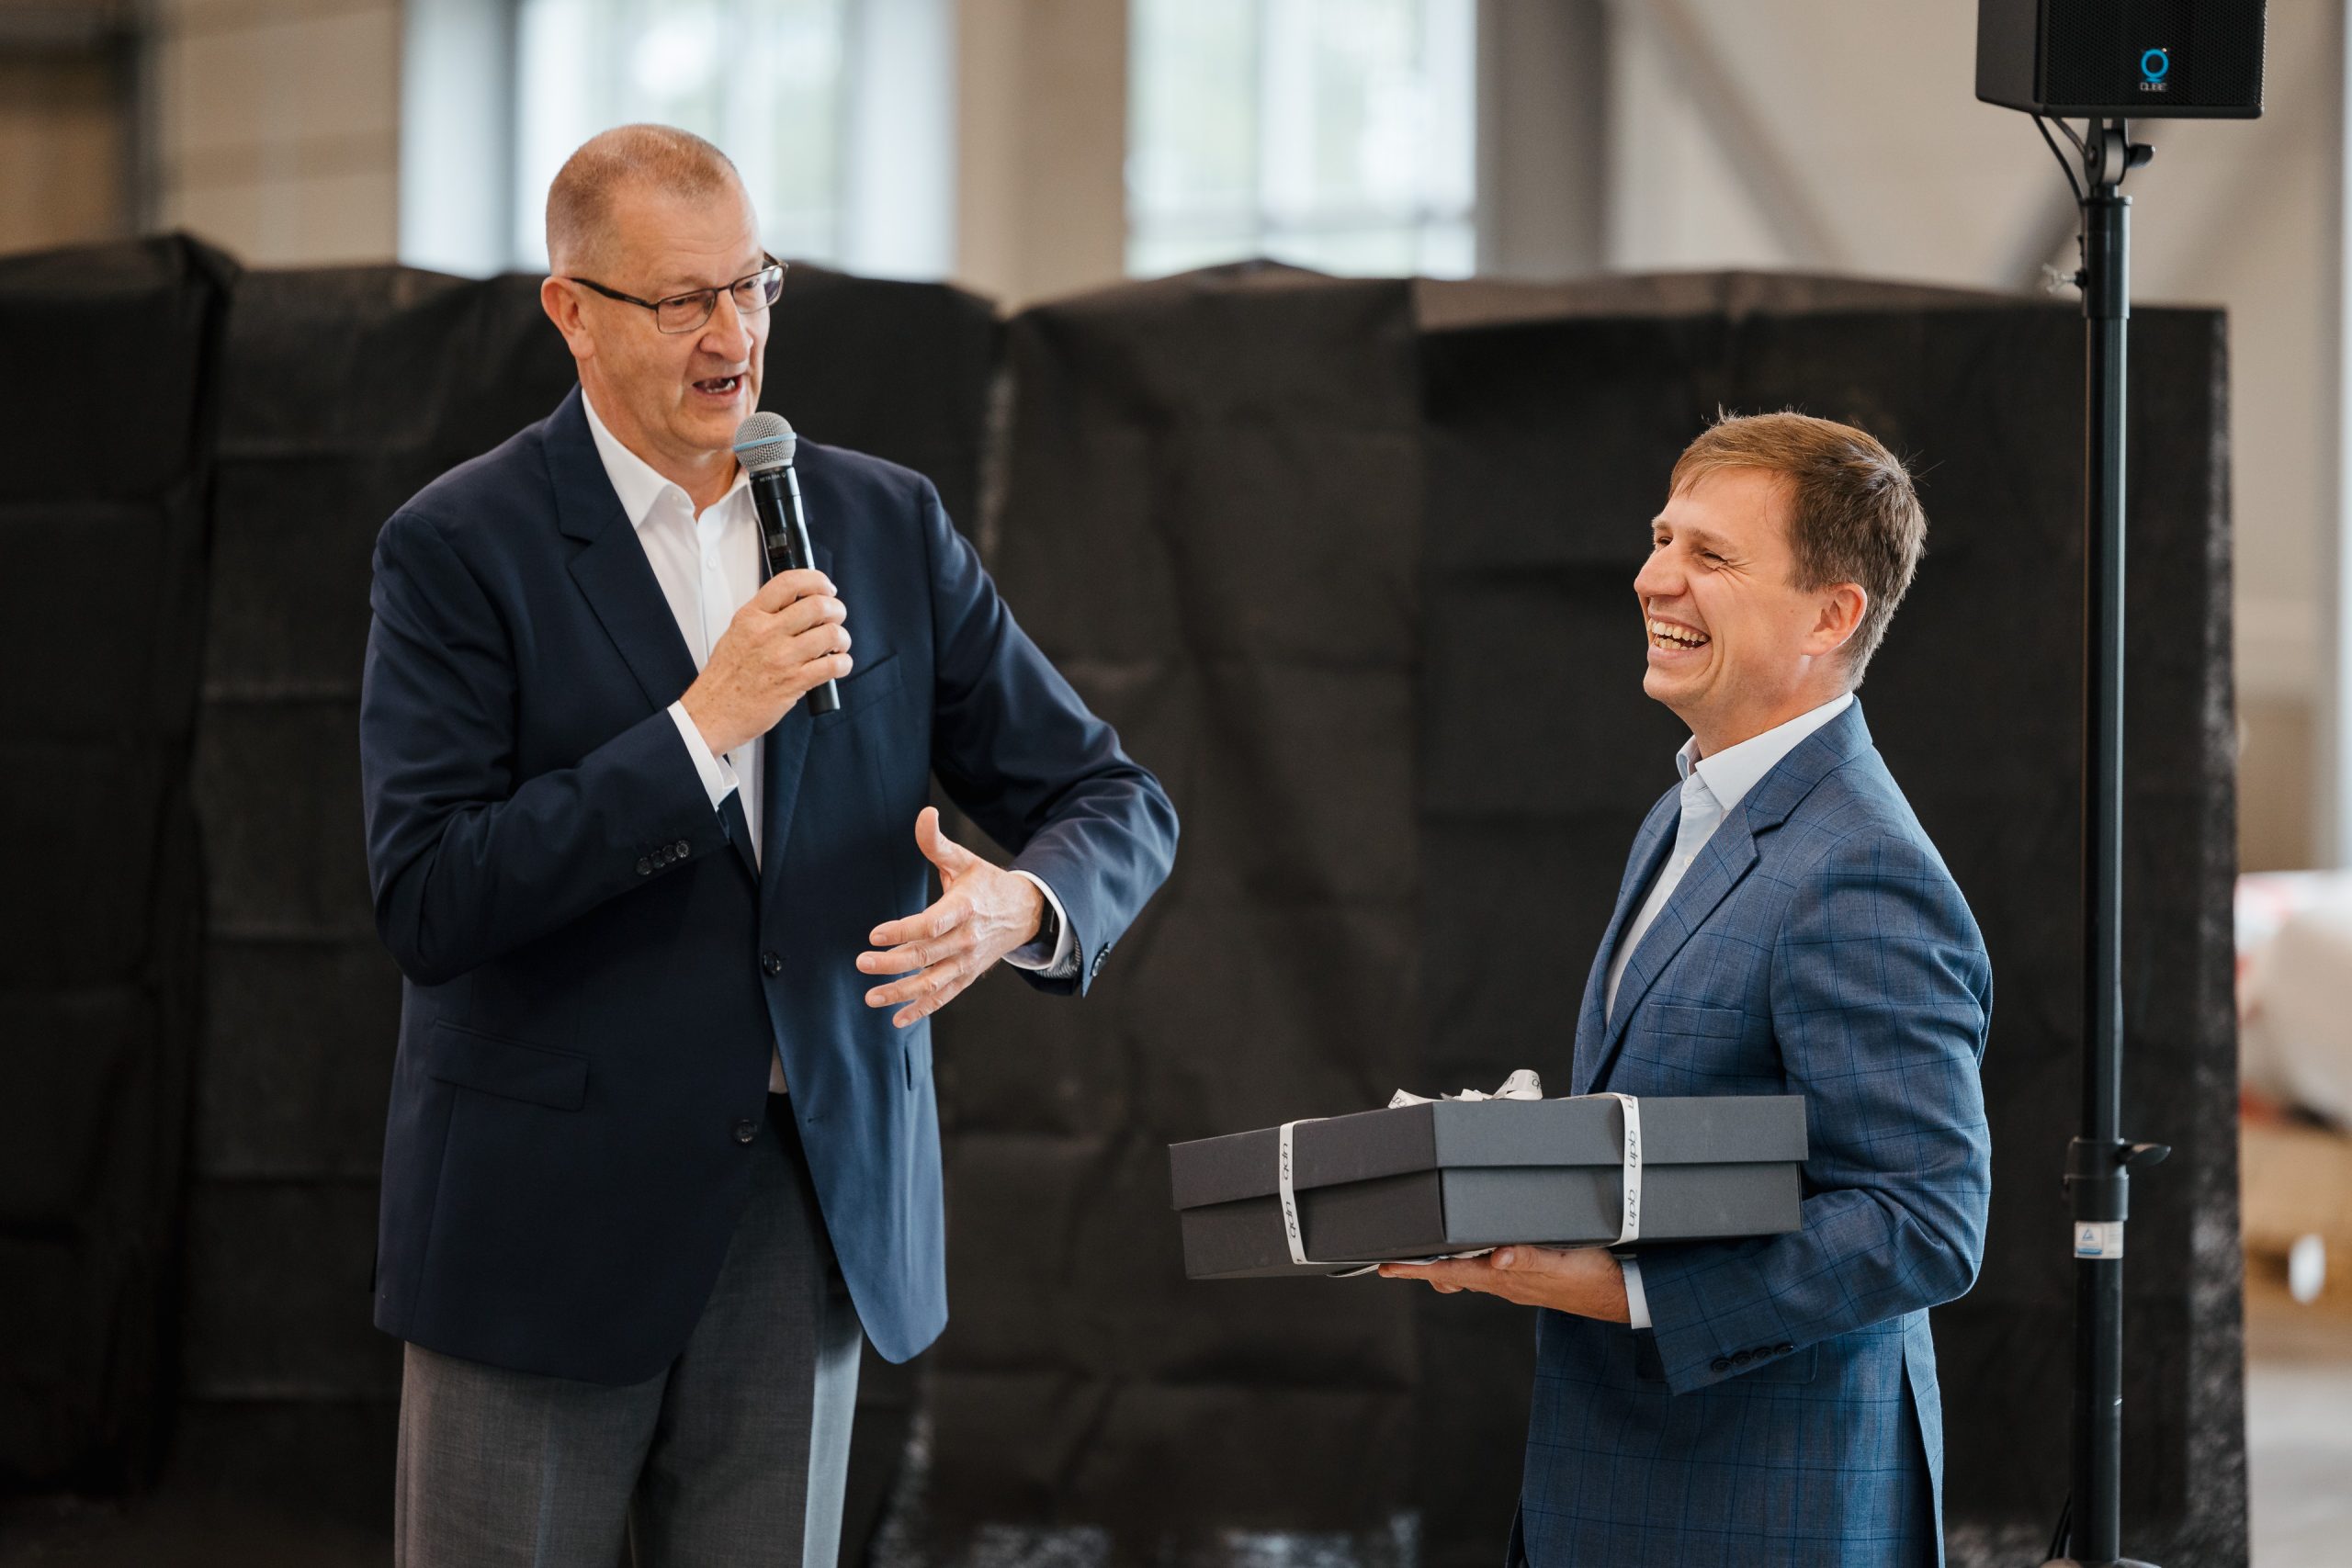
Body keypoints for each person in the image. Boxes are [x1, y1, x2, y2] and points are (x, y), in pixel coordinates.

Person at [359, 124, 1177, 1567]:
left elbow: (1113, 797)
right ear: (571, 311)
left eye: (752, 285)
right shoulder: (459, 545)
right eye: (683, 300)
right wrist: (698, 730)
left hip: (804, 1205)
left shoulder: (881, 520)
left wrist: (1020, 906)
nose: (733, 336)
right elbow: (429, 894)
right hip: (543, 1220)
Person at [1384, 412, 1992, 1567]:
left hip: (1761, 1516)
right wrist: (1524, 1171)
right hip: (1611, 1494)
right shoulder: (1685, 812)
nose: (1652, 576)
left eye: (1710, 555)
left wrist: (1622, 1290)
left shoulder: (1861, 868)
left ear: (1831, 617)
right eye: (1663, 538)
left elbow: (1921, 1223)